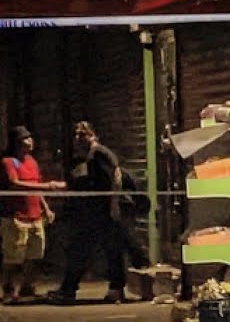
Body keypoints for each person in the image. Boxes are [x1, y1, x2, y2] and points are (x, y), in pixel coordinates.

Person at [47, 121, 147, 305]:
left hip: (103, 212)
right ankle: (114, 289)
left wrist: (114, 205)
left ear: (92, 135)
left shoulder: (99, 153)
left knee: (83, 249)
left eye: (82, 134)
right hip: (97, 212)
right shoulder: (89, 157)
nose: (78, 138)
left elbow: (115, 175)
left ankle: (69, 290)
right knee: (112, 249)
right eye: (76, 135)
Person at [2, 126, 64, 304]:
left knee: (34, 254)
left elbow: (36, 184)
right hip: (16, 217)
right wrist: (47, 186)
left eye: (30, 138)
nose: (30, 142)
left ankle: (26, 287)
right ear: (16, 142)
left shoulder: (31, 161)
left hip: (35, 215)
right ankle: (9, 289)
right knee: (14, 256)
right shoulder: (9, 162)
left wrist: (45, 207)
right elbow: (15, 183)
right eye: (25, 139)